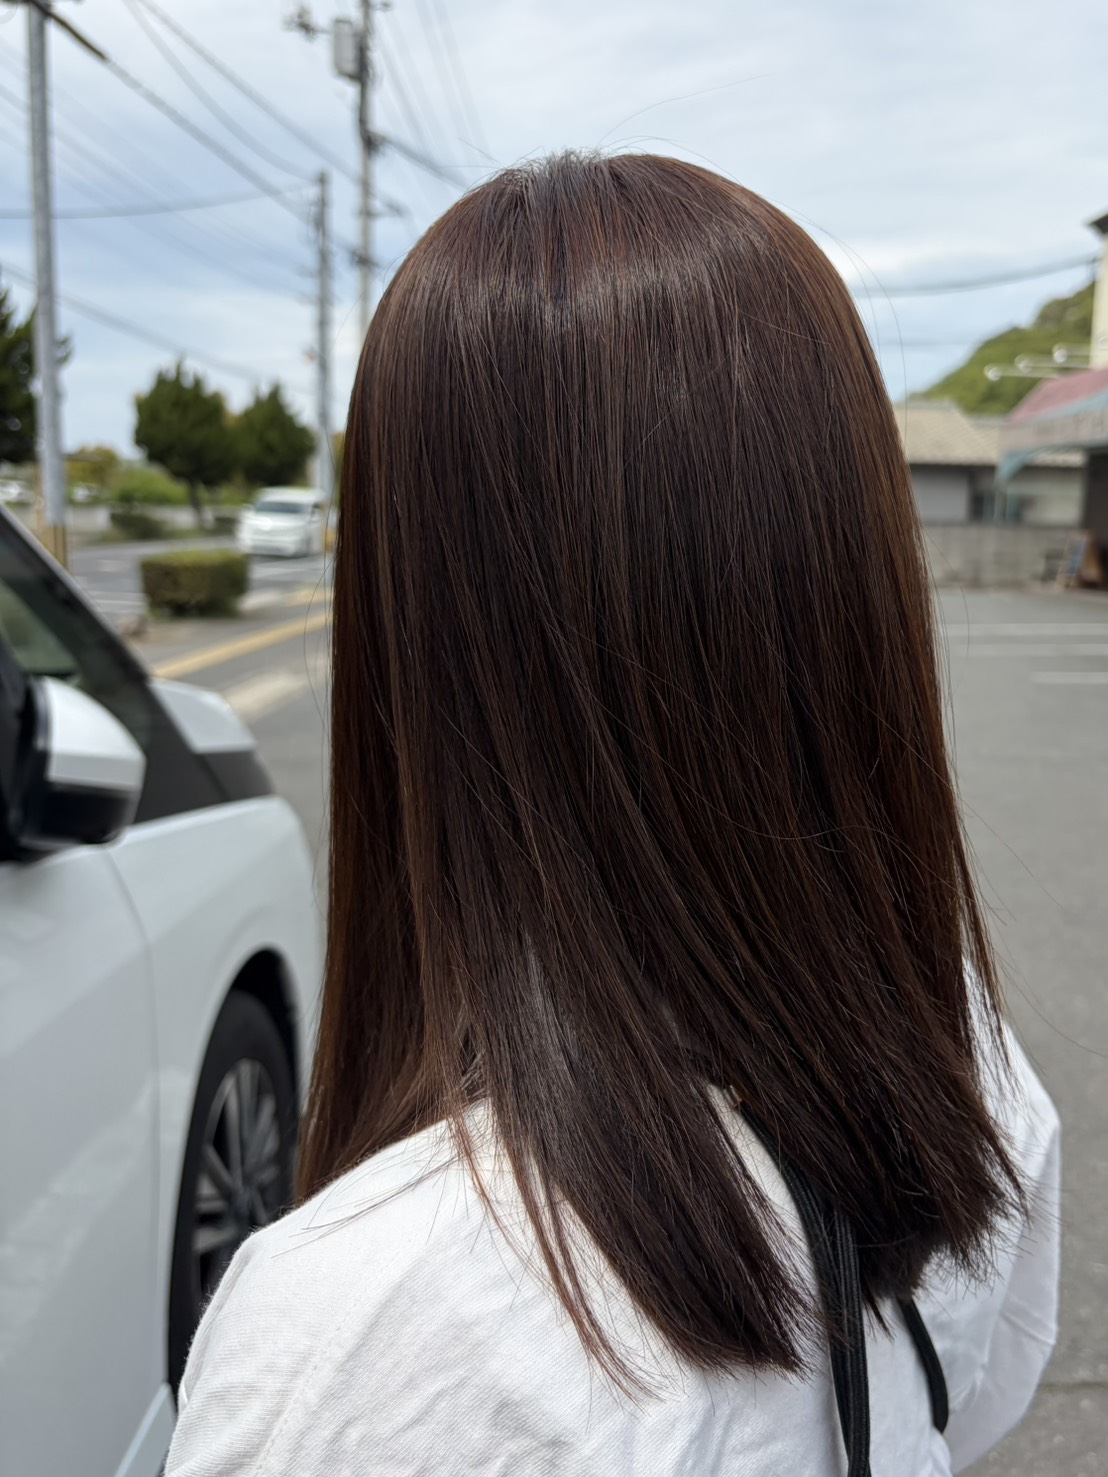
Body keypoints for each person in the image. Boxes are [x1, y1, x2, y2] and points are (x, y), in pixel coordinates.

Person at [165, 153, 1060, 1477]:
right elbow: (976, 1398)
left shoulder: (351, 1335)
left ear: (415, 637)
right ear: (856, 594)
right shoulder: (972, 1090)